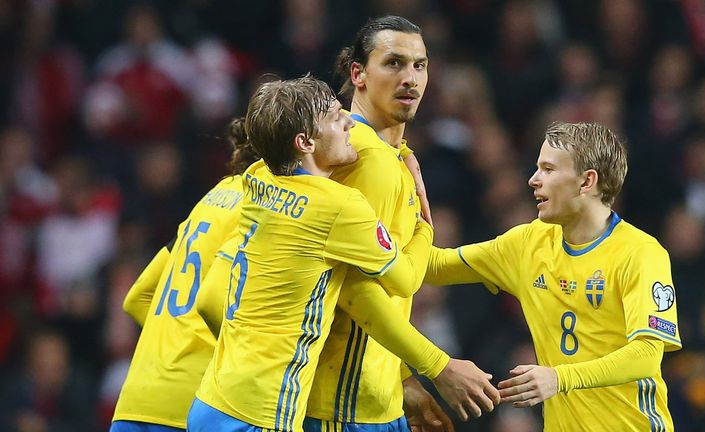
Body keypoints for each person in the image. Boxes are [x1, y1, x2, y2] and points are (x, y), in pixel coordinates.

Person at [188, 76, 487, 432]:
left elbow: (209, 300)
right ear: (304, 142)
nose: (349, 123)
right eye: (334, 118)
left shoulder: (257, 177)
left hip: (212, 399)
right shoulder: (338, 207)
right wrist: (423, 224)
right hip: (261, 413)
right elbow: (405, 280)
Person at [304, 15, 499, 432]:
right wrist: (438, 366)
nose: (410, 78)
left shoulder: (385, 155)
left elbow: (382, 273)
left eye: (419, 65)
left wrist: (402, 380)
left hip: (371, 398)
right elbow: (355, 289)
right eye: (393, 63)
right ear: (358, 73)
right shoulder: (363, 157)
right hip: (341, 404)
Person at [426, 122, 683, 431]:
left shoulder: (639, 252)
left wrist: (560, 378)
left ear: (587, 181)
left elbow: (647, 355)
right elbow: (435, 266)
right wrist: (393, 220)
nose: (533, 180)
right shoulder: (528, 243)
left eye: (548, 169)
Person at [109, 118, 257, 431]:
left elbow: (136, 298)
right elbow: (213, 300)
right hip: (191, 405)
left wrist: (177, 339)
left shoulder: (211, 198)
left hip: (136, 398)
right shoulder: (263, 205)